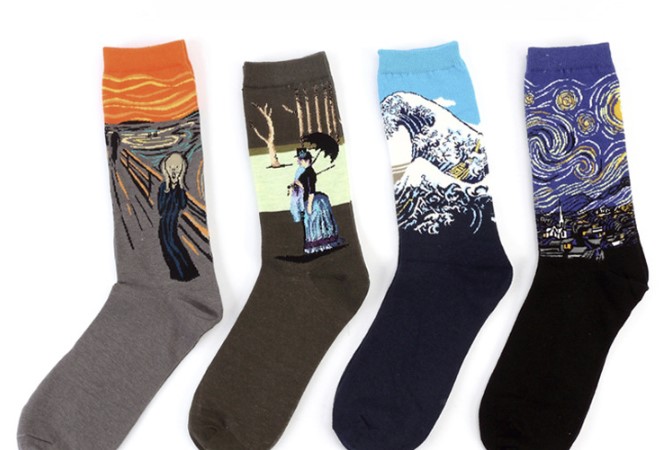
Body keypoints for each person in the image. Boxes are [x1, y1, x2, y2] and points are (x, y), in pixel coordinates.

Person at [291, 148, 344, 254]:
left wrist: (309, 205)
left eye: (300, 160)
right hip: (309, 199)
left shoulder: (309, 173)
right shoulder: (307, 172)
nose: (299, 162)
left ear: (306, 160)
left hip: (311, 201)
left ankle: (320, 245)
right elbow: (306, 187)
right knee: (312, 223)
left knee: (313, 222)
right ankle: (321, 245)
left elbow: (311, 191)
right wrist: (298, 183)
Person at [157, 152, 199, 281]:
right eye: (171, 167)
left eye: (177, 167)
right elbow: (161, 208)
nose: (174, 170)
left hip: (173, 221)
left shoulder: (180, 189)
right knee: (167, 246)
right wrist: (169, 190)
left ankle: (186, 273)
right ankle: (177, 273)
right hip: (165, 222)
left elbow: (182, 204)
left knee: (174, 244)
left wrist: (179, 186)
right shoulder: (163, 187)